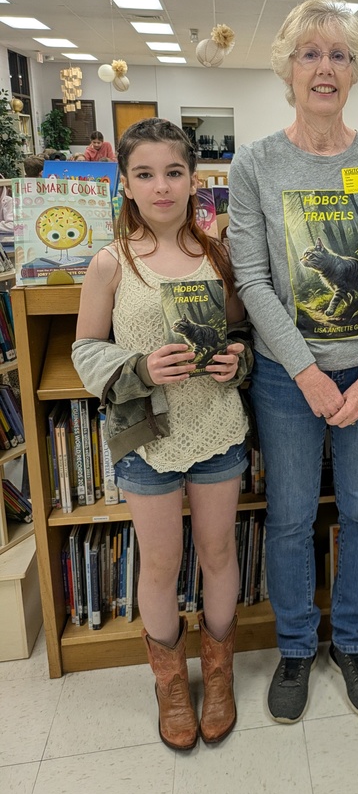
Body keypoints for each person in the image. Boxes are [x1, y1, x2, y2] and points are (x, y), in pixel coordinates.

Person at [227, 0, 358, 724]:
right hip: (284, 376)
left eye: (338, 54)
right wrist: (304, 371)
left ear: (356, 69)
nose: (325, 68)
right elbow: (252, 279)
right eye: (310, 54)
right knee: (291, 516)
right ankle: (298, 647)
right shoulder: (256, 164)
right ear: (287, 68)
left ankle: (354, 644)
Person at [72, 117, 252, 750]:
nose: (161, 187)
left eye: (173, 172)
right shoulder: (110, 263)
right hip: (145, 435)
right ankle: (171, 684)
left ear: (193, 179)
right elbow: (85, 351)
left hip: (217, 428)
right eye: (144, 175)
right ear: (124, 185)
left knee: (218, 551)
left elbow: (240, 336)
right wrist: (139, 368)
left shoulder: (219, 256)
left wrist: (238, 359)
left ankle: (220, 672)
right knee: (161, 563)